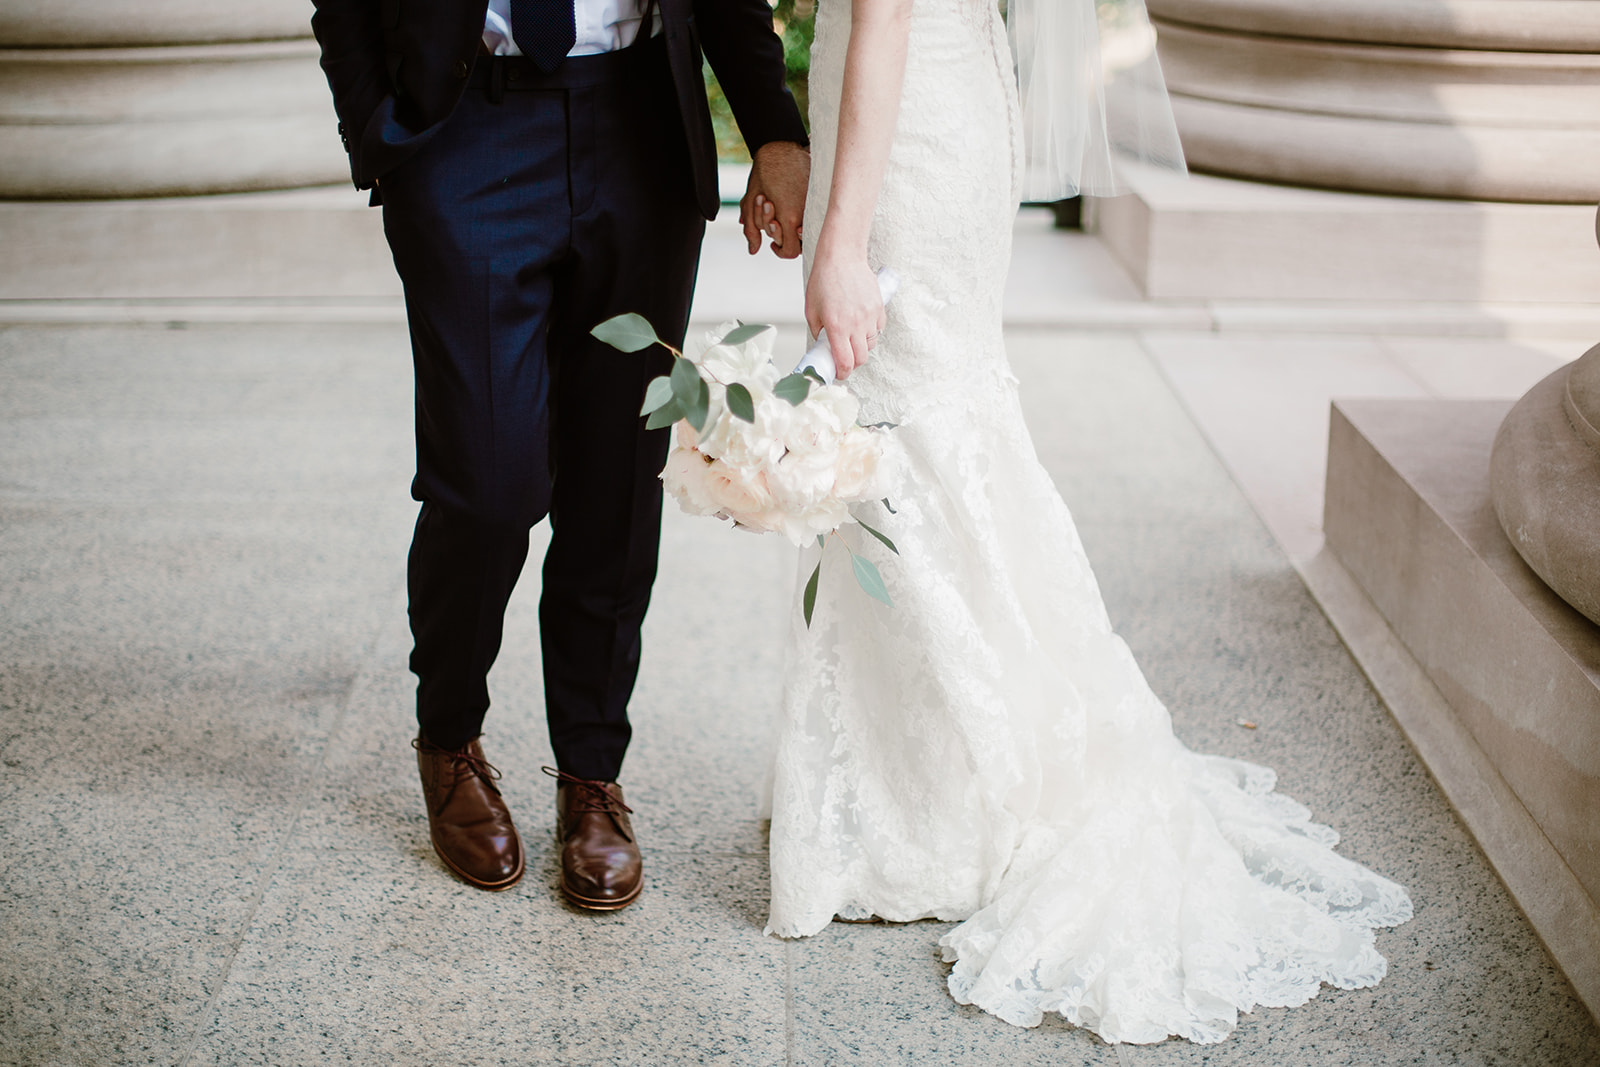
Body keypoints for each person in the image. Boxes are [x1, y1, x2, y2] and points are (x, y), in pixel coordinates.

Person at [761, 0, 1414, 1043]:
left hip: (901, 131)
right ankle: (933, 776)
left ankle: (946, 801)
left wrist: (841, 237)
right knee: (927, 435)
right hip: (943, 102)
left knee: (912, 440)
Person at [308, 0, 808, 909]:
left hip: (639, 124)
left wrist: (773, 124)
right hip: (467, 131)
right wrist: (376, 128)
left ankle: (591, 775)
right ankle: (449, 736)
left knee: (618, 480)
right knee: (487, 482)